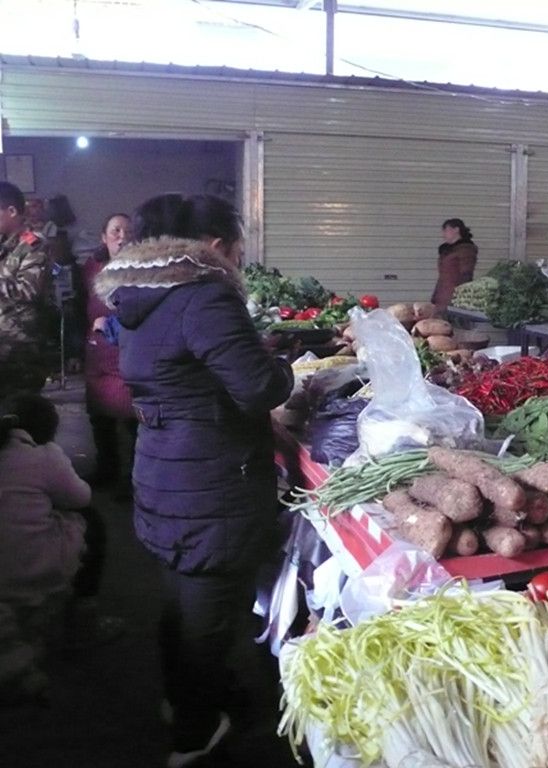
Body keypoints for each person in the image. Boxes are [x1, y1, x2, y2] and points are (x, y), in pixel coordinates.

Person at [94, 194, 293, 766]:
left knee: (183, 599)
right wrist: (283, 370)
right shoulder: (203, 294)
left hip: (166, 470)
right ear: (214, 246)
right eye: (237, 248)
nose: (237, 258)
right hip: (212, 479)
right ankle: (194, 734)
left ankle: (183, 700)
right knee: (208, 613)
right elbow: (258, 389)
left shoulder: (142, 294)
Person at [0, 392, 89, 703]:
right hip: (32, 571)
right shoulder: (44, 456)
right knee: (85, 521)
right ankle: (82, 615)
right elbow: (81, 497)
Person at [81, 213, 137, 493]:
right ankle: (106, 468)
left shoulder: (141, 269)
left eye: (127, 231)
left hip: (126, 352)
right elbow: (80, 305)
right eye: (115, 231)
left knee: (131, 419)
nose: (121, 236)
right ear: (104, 237)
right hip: (97, 354)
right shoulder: (91, 268)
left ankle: (132, 478)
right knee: (99, 417)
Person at [0, 181, 55, 399]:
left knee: (20, 410)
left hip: (20, 348)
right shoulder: (3, 244)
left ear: (12, 211)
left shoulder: (34, 244)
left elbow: (29, 289)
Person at [432, 217, 478, 310]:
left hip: (454, 298)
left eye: (446, 230)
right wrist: (435, 296)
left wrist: (462, 298)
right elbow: (442, 276)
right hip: (442, 296)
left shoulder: (465, 250)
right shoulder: (447, 251)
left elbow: (466, 275)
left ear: (456, 230)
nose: (443, 234)